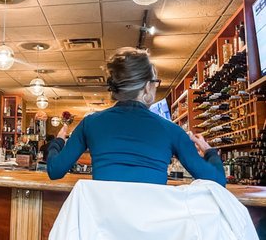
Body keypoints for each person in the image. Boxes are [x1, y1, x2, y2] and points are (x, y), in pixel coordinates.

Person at [47, 47, 226, 187]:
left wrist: (58, 142)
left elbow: (55, 170)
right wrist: (209, 152)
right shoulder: (172, 131)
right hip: (153, 231)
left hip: (103, 230)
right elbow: (217, 182)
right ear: (147, 86)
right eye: (155, 83)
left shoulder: (90, 124)